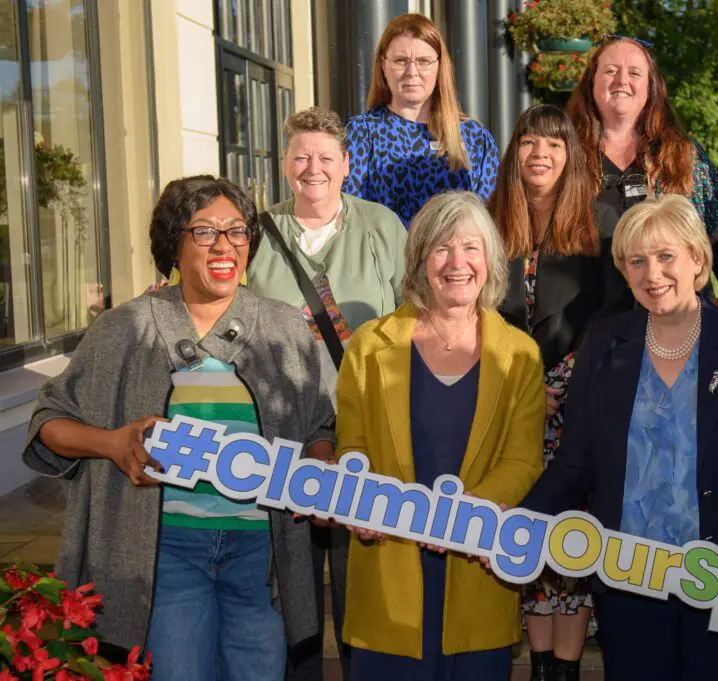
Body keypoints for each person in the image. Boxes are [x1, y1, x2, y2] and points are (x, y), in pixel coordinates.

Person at [21, 176, 336, 681]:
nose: (224, 245)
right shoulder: (124, 328)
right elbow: (49, 423)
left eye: (237, 230)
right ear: (174, 243)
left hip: (263, 554)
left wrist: (320, 469)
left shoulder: (284, 327)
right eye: (205, 231)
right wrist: (114, 443)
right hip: (166, 552)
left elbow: (318, 423)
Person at [521, 193, 718, 681]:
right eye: (637, 261)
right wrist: (519, 522)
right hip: (629, 582)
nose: (652, 273)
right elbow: (575, 465)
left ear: (697, 258)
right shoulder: (602, 342)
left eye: (665, 256)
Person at [336, 191, 545, 680]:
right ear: (418, 261)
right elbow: (352, 447)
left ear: (490, 261)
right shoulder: (368, 346)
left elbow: (523, 460)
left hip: (477, 567)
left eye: (471, 247)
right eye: (442, 248)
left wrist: (462, 516)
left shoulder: (521, 354)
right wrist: (358, 502)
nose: (457, 263)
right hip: (388, 568)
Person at [245, 106, 406, 681]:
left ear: (346, 165)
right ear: (284, 164)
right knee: (293, 589)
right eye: (301, 157)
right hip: (280, 437)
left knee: (362, 582)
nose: (313, 168)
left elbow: (413, 319)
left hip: (364, 432)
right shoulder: (256, 233)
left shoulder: (382, 227)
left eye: (325, 157)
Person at [491, 104, 618, 681]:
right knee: (525, 527)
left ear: (571, 156)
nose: (540, 154)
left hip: (577, 408)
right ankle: (540, 664)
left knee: (570, 533)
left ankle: (565, 667)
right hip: (506, 404)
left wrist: (561, 384)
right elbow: (475, 311)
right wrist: (522, 388)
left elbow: (614, 313)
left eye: (554, 144)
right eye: (528, 142)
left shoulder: (600, 221)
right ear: (514, 152)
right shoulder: (490, 221)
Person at [567, 36, 718, 278]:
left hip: (674, 300)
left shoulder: (685, 157)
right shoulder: (565, 157)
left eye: (634, 73)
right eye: (611, 71)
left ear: (650, 86)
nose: (622, 80)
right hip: (587, 301)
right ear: (591, 82)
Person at [343, 13, 500, 227]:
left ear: (439, 66)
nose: (412, 72)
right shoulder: (362, 133)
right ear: (383, 66)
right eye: (400, 61)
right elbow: (350, 216)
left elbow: (487, 221)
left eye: (423, 61)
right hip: (386, 249)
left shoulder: (474, 138)